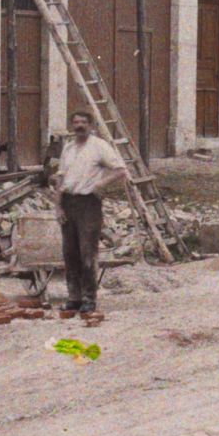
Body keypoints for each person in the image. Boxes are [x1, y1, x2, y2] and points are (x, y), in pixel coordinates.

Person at [53, 110, 127, 318]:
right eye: (75, 122)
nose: (79, 126)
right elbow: (60, 178)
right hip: (68, 202)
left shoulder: (99, 146)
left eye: (83, 122)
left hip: (88, 205)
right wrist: (58, 207)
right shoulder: (68, 148)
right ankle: (73, 298)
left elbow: (121, 170)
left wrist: (100, 184)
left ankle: (88, 300)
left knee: (87, 252)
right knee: (69, 253)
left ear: (91, 125)